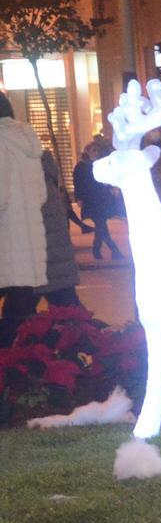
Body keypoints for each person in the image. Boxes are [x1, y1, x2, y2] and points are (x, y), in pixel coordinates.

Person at [0, 92, 49, 344]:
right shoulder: (27, 141)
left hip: (7, 242)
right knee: (19, 314)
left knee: (13, 323)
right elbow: (41, 195)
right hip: (28, 244)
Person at [34, 147, 81, 311]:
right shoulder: (44, 179)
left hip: (43, 259)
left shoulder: (31, 184)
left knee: (70, 313)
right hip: (53, 258)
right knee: (70, 311)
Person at [75, 131, 123, 261]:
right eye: (93, 150)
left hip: (102, 199)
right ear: (88, 151)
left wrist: (111, 188)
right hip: (91, 200)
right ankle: (112, 250)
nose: (95, 153)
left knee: (101, 225)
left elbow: (106, 178)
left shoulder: (100, 164)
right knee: (101, 225)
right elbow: (78, 183)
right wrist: (79, 198)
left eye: (97, 150)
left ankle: (99, 250)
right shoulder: (82, 166)